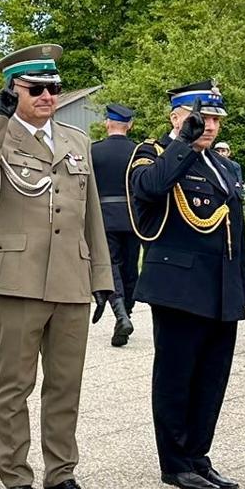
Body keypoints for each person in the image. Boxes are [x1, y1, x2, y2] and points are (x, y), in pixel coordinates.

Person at [0, 44, 114, 489]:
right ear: (14, 91)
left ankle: (61, 475)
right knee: (14, 384)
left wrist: (102, 276)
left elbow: (91, 217)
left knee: (66, 384)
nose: (48, 95)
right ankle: (16, 477)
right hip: (18, 278)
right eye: (37, 89)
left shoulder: (74, 139)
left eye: (54, 88)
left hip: (70, 276)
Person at [130, 84, 245, 489]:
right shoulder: (154, 154)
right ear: (175, 117)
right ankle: (175, 462)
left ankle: (199, 455)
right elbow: (148, 190)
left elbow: (235, 232)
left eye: (215, 119)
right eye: (201, 117)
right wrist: (182, 142)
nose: (209, 126)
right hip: (178, 286)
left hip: (220, 286)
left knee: (212, 377)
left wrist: (239, 288)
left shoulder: (223, 165)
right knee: (177, 376)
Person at [90, 103, 140, 346]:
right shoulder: (139, 151)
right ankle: (126, 315)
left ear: (107, 123)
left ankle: (121, 315)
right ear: (130, 125)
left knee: (111, 265)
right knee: (130, 268)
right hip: (133, 216)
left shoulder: (94, 151)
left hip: (104, 216)